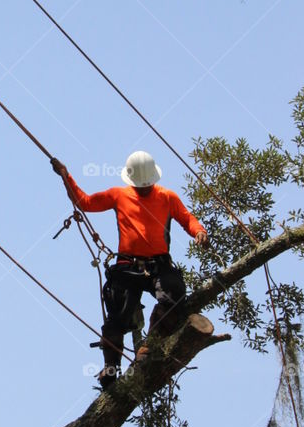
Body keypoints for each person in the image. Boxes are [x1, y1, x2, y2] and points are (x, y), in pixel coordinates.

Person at [50, 150, 213, 388]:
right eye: (141, 186)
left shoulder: (167, 197)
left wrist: (199, 232)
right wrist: (65, 175)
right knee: (117, 313)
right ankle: (111, 368)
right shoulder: (119, 195)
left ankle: (151, 345)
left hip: (159, 265)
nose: (145, 190)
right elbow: (84, 203)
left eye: (147, 186)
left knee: (174, 293)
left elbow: (187, 218)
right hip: (127, 267)